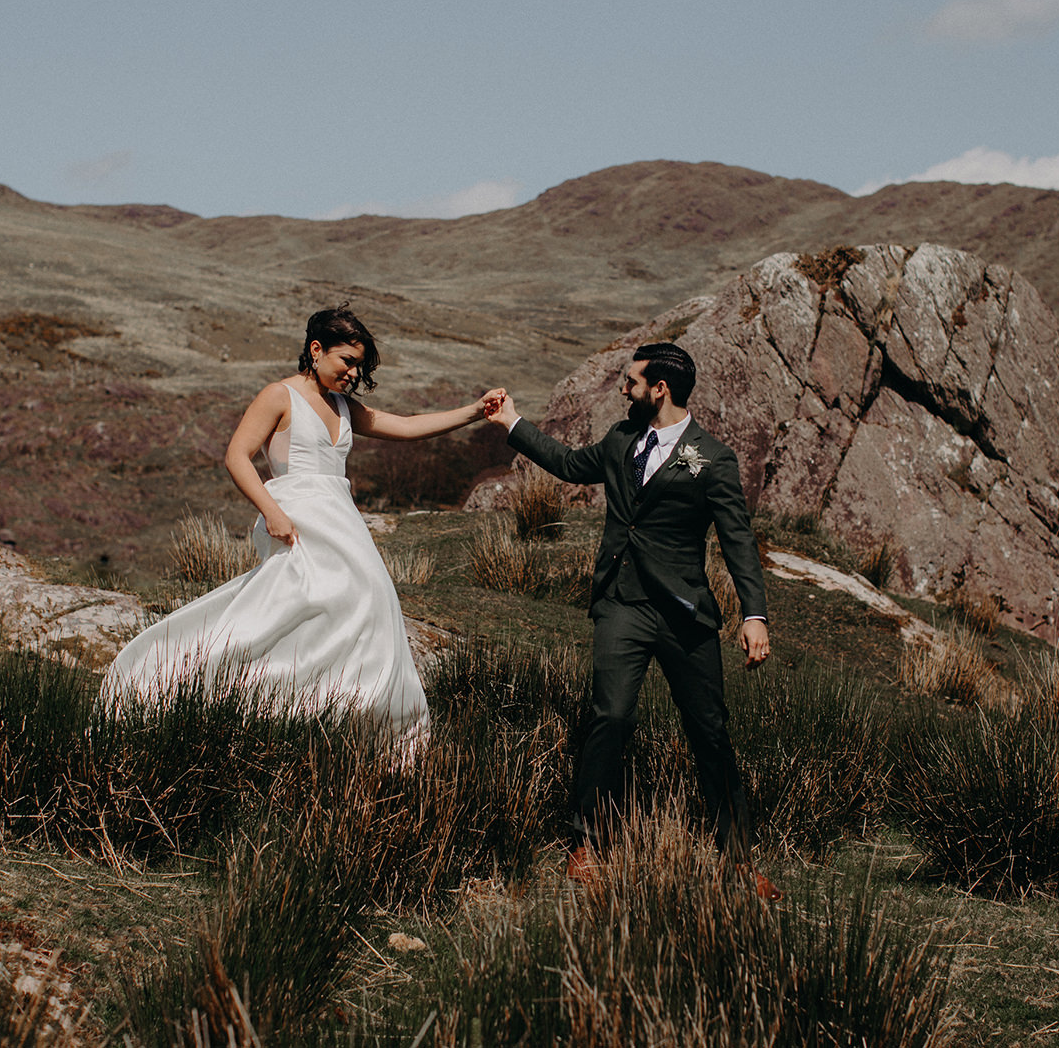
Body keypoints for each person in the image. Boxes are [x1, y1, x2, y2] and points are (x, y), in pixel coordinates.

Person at [102, 305, 503, 747]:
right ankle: (213, 689)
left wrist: (474, 410)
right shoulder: (279, 395)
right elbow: (237, 455)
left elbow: (407, 427)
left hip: (341, 521)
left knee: (370, 602)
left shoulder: (344, 407)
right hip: (297, 519)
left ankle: (358, 718)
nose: (353, 373)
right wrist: (271, 510)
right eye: (347, 361)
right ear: (316, 350)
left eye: (359, 366)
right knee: (291, 609)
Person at [483, 341, 778, 897]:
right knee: (610, 717)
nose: (623, 388)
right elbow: (570, 465)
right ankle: (587, 844)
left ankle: (737, 861)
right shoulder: (621, 440)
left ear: (659, 389)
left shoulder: (712, 458)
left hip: (685, 613)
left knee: (710, 732)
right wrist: (511, 422)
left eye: (631, 381)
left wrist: (754, 613)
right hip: (621, 603)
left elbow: (738, 541)